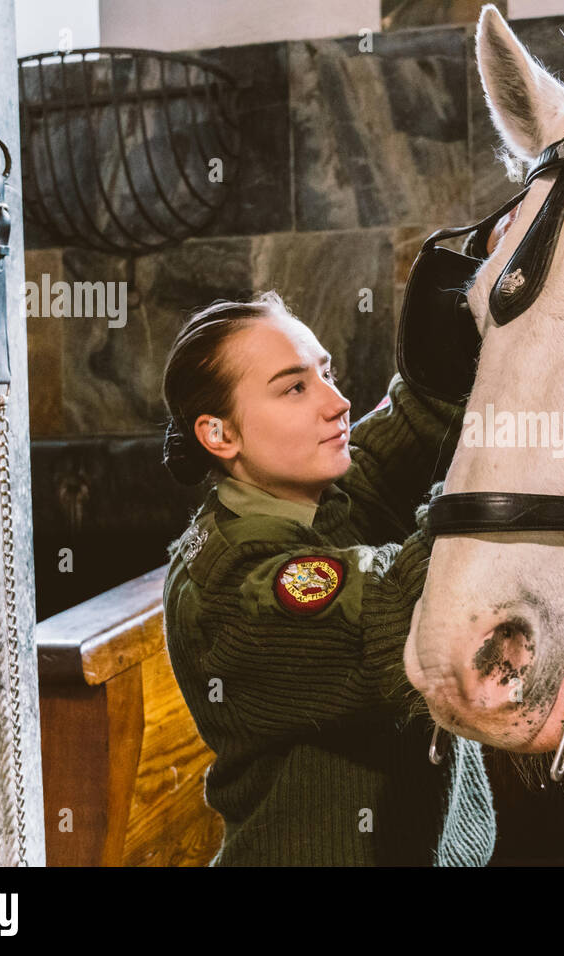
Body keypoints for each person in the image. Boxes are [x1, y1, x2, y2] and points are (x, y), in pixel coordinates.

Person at [159, 289, 494, 866]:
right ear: (220, 435)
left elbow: (423, 411)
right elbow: (399, 608)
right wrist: (502, 477)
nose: (338, 402)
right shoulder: (232, 588)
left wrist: (490, 266)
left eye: (326, 374)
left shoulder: (322, 497)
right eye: (295, 388)